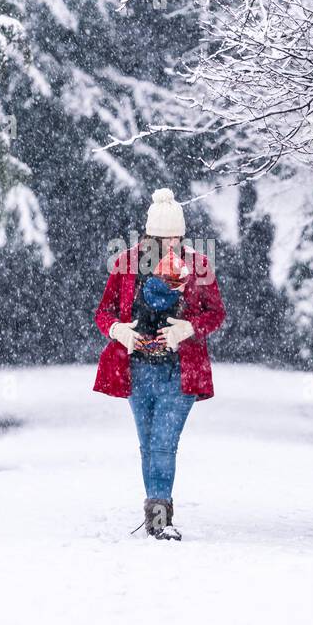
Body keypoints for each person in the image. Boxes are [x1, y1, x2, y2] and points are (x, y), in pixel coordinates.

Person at [93, 188, 226, 540]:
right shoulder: (125, 264)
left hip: (179, 372)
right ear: (149, 235)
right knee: (147, 444)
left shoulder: (198, 265)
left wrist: (190, 329)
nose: (170, 244)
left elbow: (216, 313)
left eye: (176, 237)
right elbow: (103, 312)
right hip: (135, 370)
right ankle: (156, 511)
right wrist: (118, 330)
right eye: (162, 237)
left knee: (165, 443)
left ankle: (160, 520)